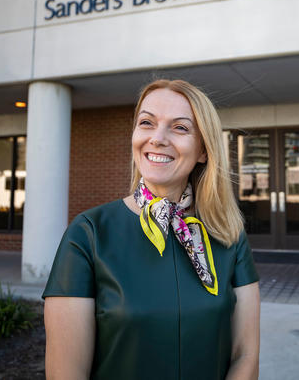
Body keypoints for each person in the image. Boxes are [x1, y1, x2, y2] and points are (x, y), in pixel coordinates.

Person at [43, 79, 260, 379]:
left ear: (203, 150)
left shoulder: (230, 236)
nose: (158, 138)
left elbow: (245, 355)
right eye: (147, 122)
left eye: (180, 127)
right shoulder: (88, 233)